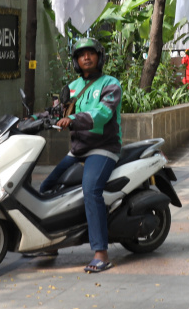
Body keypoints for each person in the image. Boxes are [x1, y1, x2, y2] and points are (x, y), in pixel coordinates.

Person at [38, 37, 122, 273]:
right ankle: (50, 242)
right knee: (47, 187)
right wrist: (36, 118)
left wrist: (72, 119)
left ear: (99, 57)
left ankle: (100, 253)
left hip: (103, 148)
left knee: (91, 189)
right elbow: (56, 109)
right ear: (76, 60)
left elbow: (102, 114)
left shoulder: (110, 84)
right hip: (77, 150)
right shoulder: (72, 88)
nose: (86, 57)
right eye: (81, 54)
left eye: (91, 53)